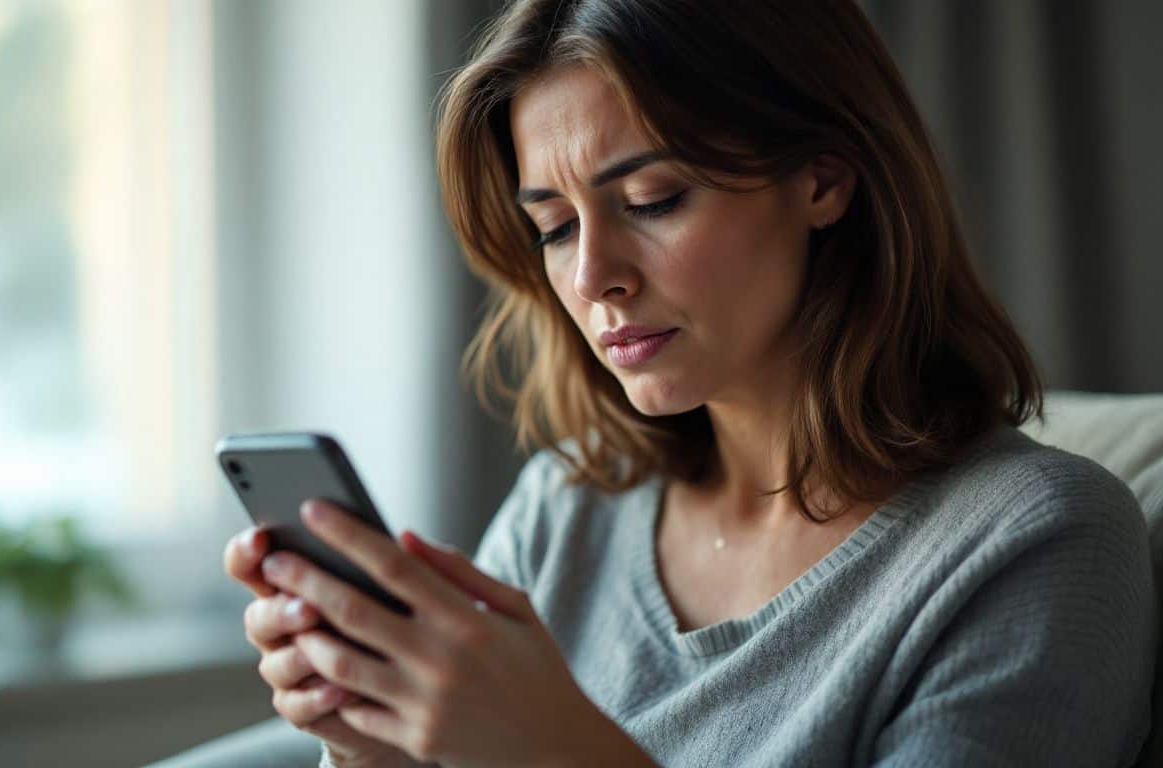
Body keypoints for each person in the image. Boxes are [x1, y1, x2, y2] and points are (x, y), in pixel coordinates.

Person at [223, 1, 1158, 766]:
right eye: (553, 226)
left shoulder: (1039, 541)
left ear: (824, 181)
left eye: (651, 201)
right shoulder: (570, 504)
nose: (592, 278)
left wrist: (558, 754)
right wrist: (376, 749)